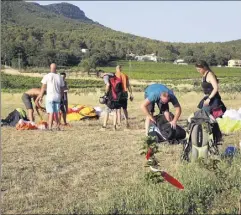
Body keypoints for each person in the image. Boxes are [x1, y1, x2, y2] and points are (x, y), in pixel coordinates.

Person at [37, 63, 65, 131]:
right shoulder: (59, 77)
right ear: (56, 68)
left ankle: (50, 127)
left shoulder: (46, 76)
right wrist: (61, 97)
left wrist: (40, 96)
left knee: (51, 112)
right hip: (57, 97)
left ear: (50, 68)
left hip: (50, 97)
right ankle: (57, 126)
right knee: (57, 112)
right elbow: (62, 88)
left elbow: (43, 87)